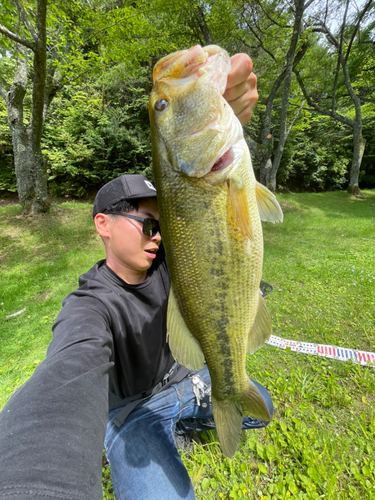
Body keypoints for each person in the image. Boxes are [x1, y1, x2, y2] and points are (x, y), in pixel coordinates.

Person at [0, 54, 272, 500]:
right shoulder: (90, 306)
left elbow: (224, 240)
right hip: (133, 412)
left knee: (263, 407)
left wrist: (216, 105)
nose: (159, 236)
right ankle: (148, 433)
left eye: (163, 223)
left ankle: (191, 413)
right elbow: (63, 378)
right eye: (146, 224)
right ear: (103, 225)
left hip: (188, 382)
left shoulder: (176, 257)